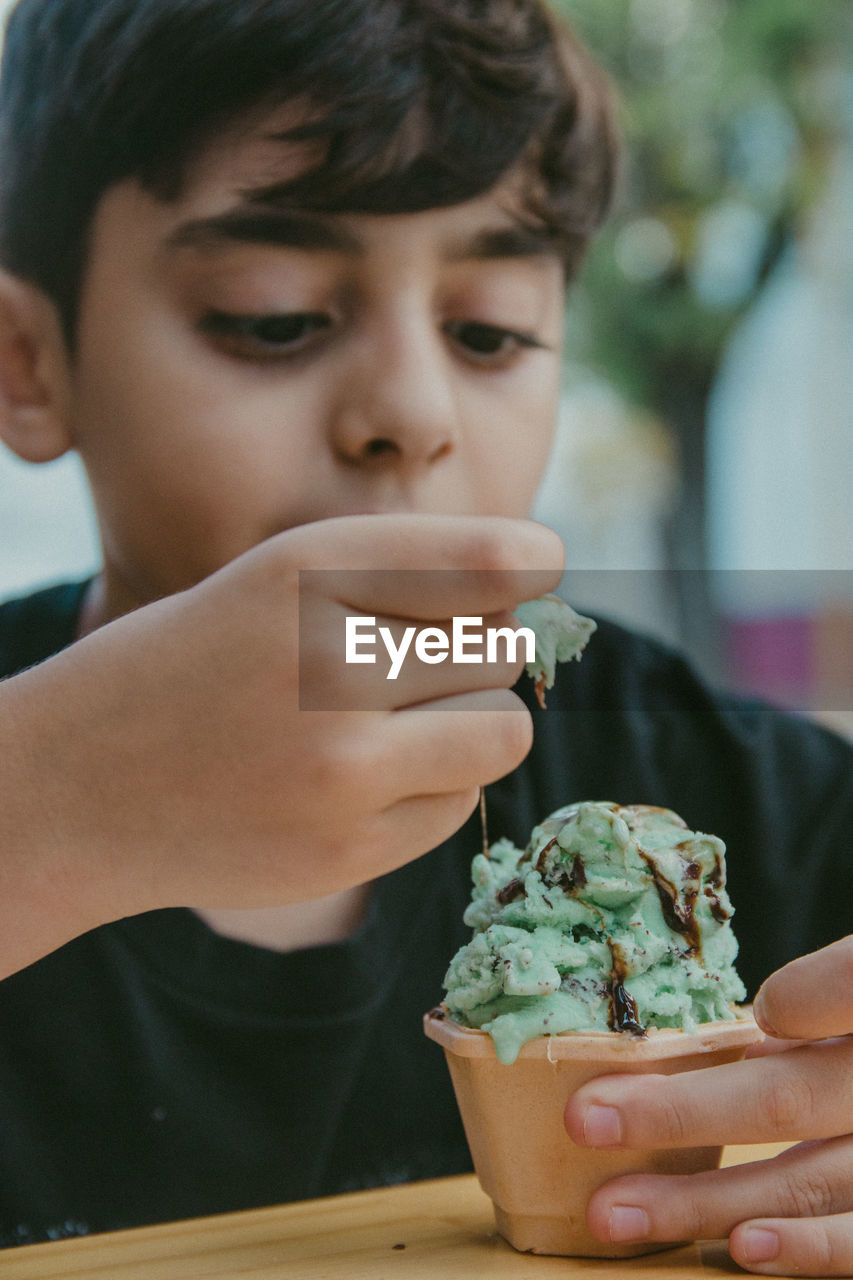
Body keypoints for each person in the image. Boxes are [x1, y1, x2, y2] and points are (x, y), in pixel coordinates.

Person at [0, 0, 850, 1272]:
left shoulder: (710, 787)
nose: (410, 407)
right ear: (29, 361)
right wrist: (48, 811)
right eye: (273, 314)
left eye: (491, 330)